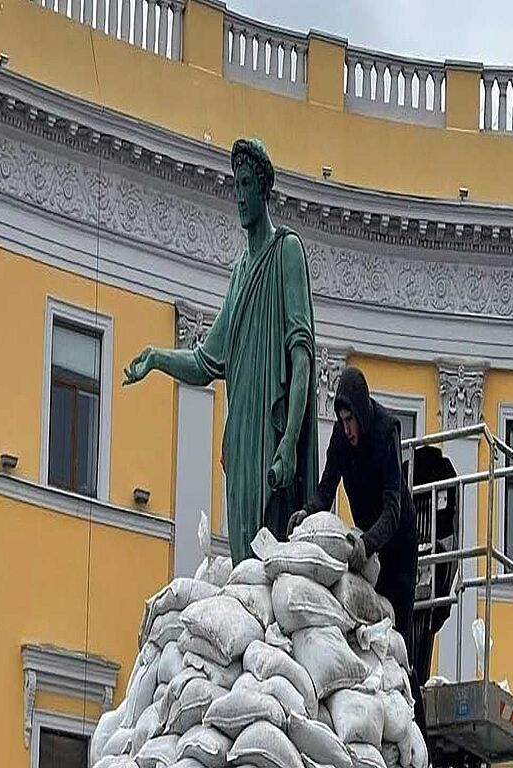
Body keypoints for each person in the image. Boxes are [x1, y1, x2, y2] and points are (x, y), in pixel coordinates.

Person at [124, 138, 319, 564]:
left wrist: (289, 442)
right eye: (235, 185)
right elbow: (205, 362)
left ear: (263, 189)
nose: (239, 196)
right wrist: (157, 358)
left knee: (272, 557)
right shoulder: (239, 276)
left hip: (271, 431)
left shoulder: (286, 251)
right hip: (241, 437)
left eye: (246, 184)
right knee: (243, 558)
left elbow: (302, 355)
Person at [289, 365, 423, 723]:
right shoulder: (340, 438)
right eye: (342, 419)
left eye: (351, 420)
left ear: (362, 412)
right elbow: (326, 488)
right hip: (368, 543)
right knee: (366, 630)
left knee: (397, 638)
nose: (347, 428)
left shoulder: (385, 431)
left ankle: (410, 719)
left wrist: (368, 542)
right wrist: (307, 513)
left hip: (398, 544)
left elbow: (394, 507)